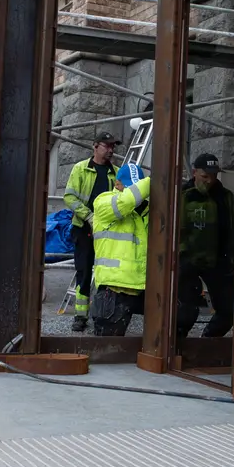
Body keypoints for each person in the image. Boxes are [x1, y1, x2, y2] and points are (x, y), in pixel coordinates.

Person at [62, 132, 120, 332]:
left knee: (107, 274)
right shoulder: (81, 169)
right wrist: (88, 216)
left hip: (108, 232)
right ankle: (80, 316)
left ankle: (104, 313)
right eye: (107, 146)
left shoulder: (116, 172)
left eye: (113, 146)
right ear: (95, 146)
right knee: (84, 272)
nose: (111, 150)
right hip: (84, 229)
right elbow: (69, 197)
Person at [177, 153, 234, 338]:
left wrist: (232, 259)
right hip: (189, 261)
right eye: (205, 176)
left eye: (214, 175)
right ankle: (178, 347)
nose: (210, 180)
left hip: (218, 261)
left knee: (229, 310)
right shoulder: (183, 196)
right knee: (186, 312)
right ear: (194, 173)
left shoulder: (225, 197)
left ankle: (209, 342)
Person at [88, 163, 151, 336]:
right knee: (107, 350)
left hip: (141, 287)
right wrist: (154, 180)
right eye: (131, 186)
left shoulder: (144, 212)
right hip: (114, 289)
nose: (137, 194)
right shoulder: (103, 202)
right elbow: (127, 200)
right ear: (117, 184)